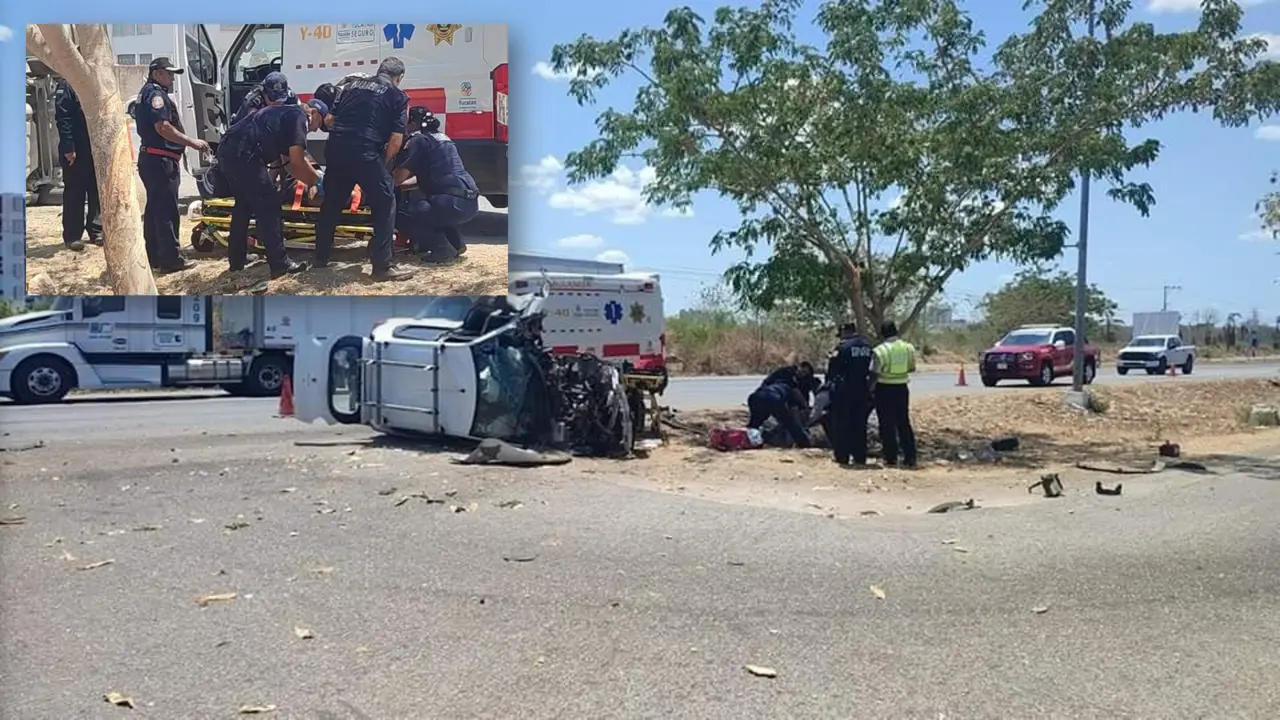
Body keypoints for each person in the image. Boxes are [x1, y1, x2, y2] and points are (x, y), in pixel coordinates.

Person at [312, 59, 413, 281]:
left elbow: (329, 120)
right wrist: (382, 164)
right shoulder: (398, 96)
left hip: (337, 149)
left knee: (331, 203)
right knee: (386, 201)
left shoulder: (351, 85)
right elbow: (396, 141)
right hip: (365, 152)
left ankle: (320, 258)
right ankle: (382, 267)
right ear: (399, 78)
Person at [215, 72, 320, 277]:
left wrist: (302, 177)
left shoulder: (288, 110)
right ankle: (280, 264)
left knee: (243, 205)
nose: (317, 129)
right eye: (320, 123)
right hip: (244, 155)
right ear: (314, 112)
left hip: (228, 151)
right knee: (269, 206)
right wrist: (316, 181)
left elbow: (288, 161)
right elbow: (297, 160)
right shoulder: (298, 116)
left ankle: (236, 260)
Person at [133, 57, 206, 273]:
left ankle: (154, 257)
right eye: (169, 73)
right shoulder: (156, 95)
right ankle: (171, 260)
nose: (172, 78)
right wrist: (191, 142)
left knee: (155, 209)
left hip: (152, 159)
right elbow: (163, 127)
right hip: (160, 160)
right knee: (166, 210)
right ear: (157, 73)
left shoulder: (145, 92)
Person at [391, 107, 479, 263]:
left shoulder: (419, 141)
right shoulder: (442, 138)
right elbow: (428, 176)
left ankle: (442, 250)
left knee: (403, 215)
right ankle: (456, 244)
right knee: (435, 212)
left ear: (412, 123)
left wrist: (381, 183)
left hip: (451, 202)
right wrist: (403, 184)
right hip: (468, 201)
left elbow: (398, 177)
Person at [53, 77, 103, 251]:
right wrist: (69, 147)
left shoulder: (91, 82)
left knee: (96, 190)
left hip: (93, 147)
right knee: (75, 192)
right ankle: (73, 235)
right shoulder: (67, 84)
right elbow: (63, 118)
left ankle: (96, 230)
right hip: (75, 149)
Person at [826, 321, 875, 467]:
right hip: (862, 390)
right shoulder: (867, 346)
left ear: (845, 332)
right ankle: (860, 456)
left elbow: (832, 371)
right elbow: (871, 369)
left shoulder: (842, 348)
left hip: (844, 391)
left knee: (842, 424)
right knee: (859, 424)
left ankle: (843, 456)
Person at [872, 320, 918, 468]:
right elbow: (912, 368)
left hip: (884, 389)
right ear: (896, 331)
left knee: (886, 424)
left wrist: (869, 388)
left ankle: (890, 457)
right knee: (903, 422)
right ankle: (910, 457)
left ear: (882, 333)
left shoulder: (880, 350)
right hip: (902, 389)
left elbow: (875, 373)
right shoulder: (908, 348)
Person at [746, 362, 815, 448]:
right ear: (799, 367)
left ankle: (753, 443)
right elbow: (797, 404)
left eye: (805, 373)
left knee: (754, 424)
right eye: (802, 371)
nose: (802, 374)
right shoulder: (791, 387)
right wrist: (805, 409)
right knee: (790, 424)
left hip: (755, 397)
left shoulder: (779, 380)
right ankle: (805, 444)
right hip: (773, 399)